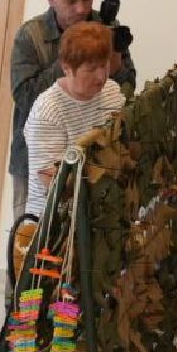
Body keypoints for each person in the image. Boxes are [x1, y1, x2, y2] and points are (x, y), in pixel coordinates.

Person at [10, 0, 137, 220]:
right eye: (71, 2)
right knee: (28, 241)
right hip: (35, 164)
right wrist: (74, 56)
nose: (81, 10)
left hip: (93, 169)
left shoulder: (105, 27)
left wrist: (113, 65)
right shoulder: (30, 35)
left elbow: (127, 88)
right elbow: (23, 96)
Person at [22, 22, 128, 218]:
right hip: (55, 225)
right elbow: (55, 186)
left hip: (101, 214)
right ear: (66, 68)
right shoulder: (47, 112)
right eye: (91, 69)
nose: (101, 77)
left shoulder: (112, 91)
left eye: (104, 65)